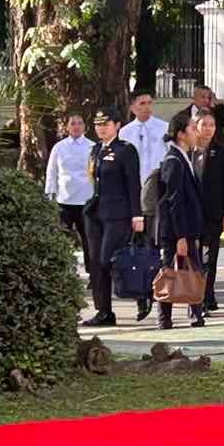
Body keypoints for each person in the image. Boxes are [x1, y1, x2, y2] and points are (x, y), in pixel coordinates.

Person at [81, 107, 145, 326]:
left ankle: (141, 292)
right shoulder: (95, 150)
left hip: (118, 214)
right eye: (98, 125)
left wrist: (137, 215)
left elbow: (133, 184)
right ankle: (104, 311)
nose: (101, 129)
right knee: (95, 263)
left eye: (105, 124)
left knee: (109, 259)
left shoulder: (126, 150)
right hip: (96, 212)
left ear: (117, 126)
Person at [155, 110, 207, 329]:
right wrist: (181, 236)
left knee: (192, 269)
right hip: (174, 231)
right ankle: (165, 317)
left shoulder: (184, 157)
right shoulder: (174, 161)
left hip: (185, 228)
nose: (196, 132)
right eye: (192, 129)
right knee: (170, 270)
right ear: (181, 134)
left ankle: (195, 311)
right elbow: (173, 202)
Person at [45, 112, 95, 285]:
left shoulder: (92, 146)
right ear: (67, 127)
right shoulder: (59, 147)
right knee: (61, 239)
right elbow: (51, 172)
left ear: (84, 126)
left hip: (86, 200)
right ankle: (63, 272)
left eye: (79, 123)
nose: (76, 126)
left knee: (88, 239)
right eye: (73, 123)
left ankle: (93, 274)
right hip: (64, 200)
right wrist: (49, 195)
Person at [194, 107, 224, 314]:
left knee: (210, 258)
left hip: (213, 214)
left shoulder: (221, 152)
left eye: (212, 125)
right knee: (195, 258)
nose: (208, 129)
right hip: (193, 214)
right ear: (196, 126)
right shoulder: (188, 151)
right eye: (204, 125)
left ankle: (208, 296)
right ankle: (194, 295)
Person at [120, 91, 169, 186]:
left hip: (159, 179)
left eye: (149, 103)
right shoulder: (125, 132)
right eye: (142, 104)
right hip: (135, 181)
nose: (147, 107)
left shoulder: (164, 127)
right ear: (132, 108)